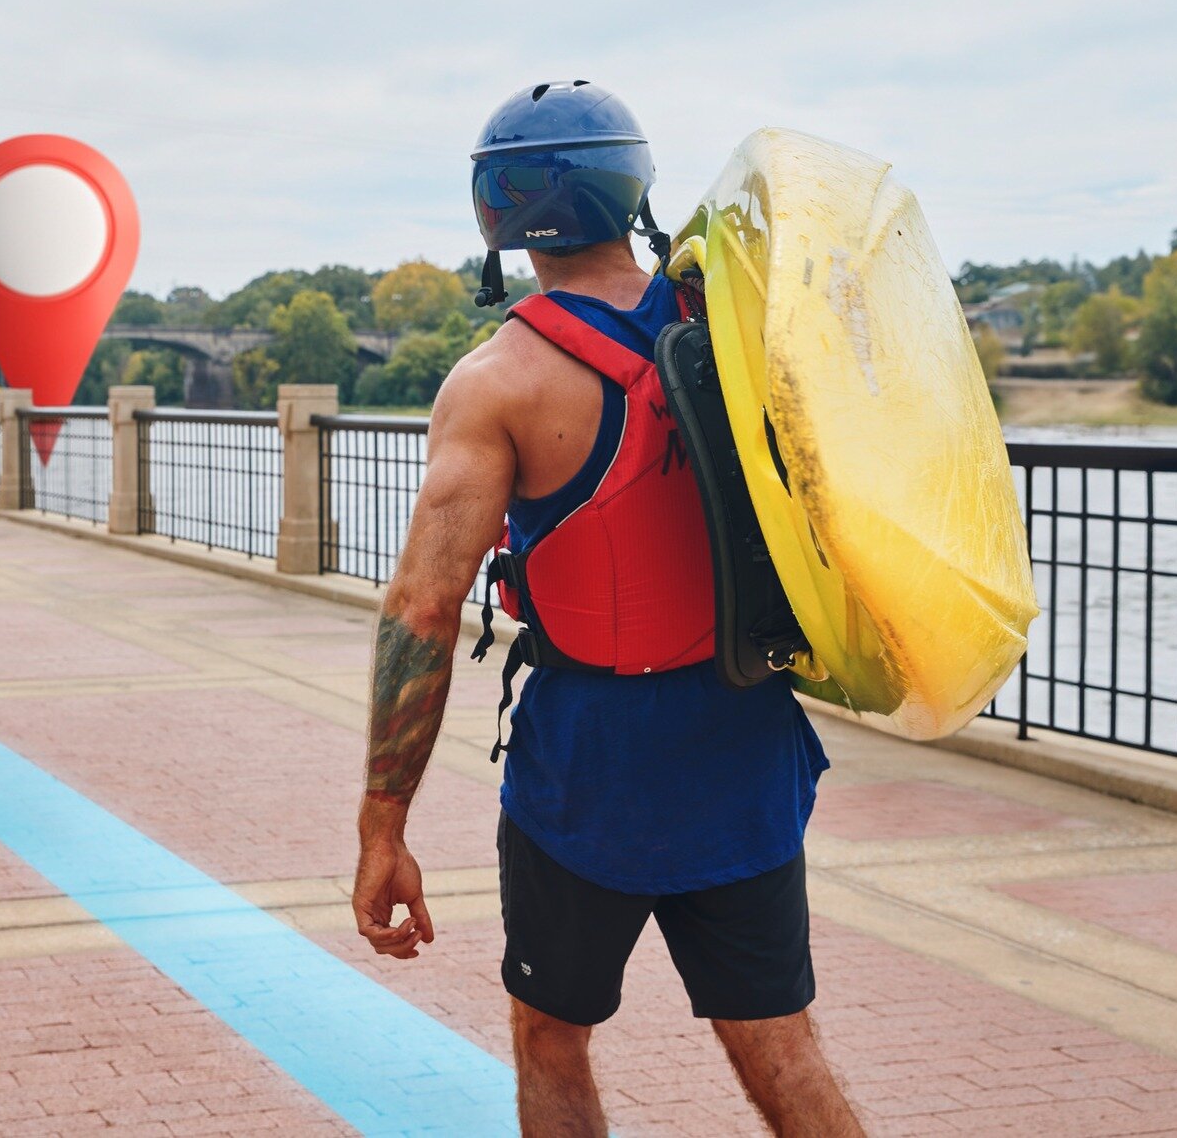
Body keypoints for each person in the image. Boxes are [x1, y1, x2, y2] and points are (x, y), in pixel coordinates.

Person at [352, 81, 858, 1137]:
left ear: (494, 212)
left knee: (549, 1033)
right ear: (630, 187)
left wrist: (381, 825)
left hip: (586, 768)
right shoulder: (733, 328)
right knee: (778, 1045)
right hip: (741, 738)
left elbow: (424, 611)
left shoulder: (494, 383)